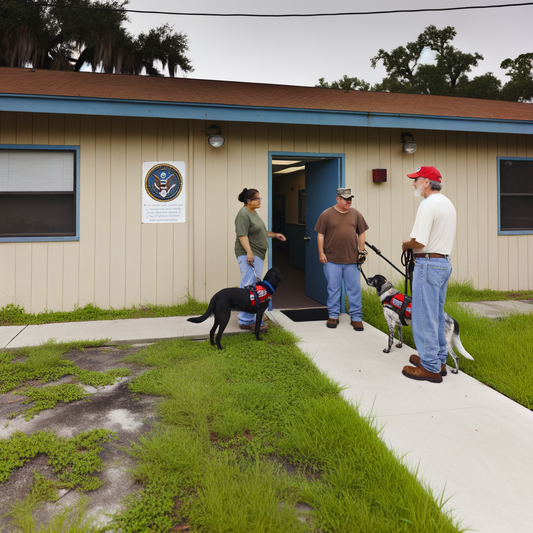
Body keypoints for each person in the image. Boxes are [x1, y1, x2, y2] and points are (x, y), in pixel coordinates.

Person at [401, 166, 457, 383]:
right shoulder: (447, 203)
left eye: (416, 180)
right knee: (435, 314)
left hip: (428, 264)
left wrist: (406, 244)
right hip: (443, 263)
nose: (413, 184)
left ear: (426, 182)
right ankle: (438, 359)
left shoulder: (426, 205)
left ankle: (430, 367)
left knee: (423, 316)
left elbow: (420, 242)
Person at [314, 188, 369, 331]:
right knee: (333, 289)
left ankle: (356, 318)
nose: (349, 201)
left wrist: (361, 251)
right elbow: (320, 235)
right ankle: (333, 315)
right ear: (337, 199)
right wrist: (321, 253)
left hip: (352, 260)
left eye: (350, 198)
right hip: (332, 259)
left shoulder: (356, 214)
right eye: (345, 199)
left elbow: (361, 233)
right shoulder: (326, 214)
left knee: (354, 289)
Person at [235, 188, 286, 330]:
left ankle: (249, 314)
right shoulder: (243, 214)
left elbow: (261, 232)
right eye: (257, 198)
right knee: (248, 286)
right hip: (250, 255)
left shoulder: (253, 213)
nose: (259, 200)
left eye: (259, 198)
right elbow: (242, 235)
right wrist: (249, 253)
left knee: (251, 285)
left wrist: (275, 235)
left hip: (256, 254)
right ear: (248, 201)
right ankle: (245, 321)